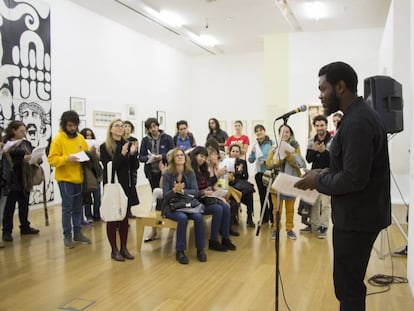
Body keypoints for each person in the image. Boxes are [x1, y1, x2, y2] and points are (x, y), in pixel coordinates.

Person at [295, 61, 391, 311]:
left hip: (357, 219)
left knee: (348, 288)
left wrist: (317, 179)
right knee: (349, 285)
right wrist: (322, 171)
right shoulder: (357, 116)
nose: (320, 95)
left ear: (340, 87)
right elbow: (350, 167)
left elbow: (353, 179)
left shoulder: (357, 122)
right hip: (359, 215)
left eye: (323, 89)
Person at [48, 111, 91, 249]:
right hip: (65, 179)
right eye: (70, 125)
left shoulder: (80, 138)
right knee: (67, 208)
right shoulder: (58, 139)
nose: (72, 128)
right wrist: (67, 158)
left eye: (75, 125)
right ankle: (67, 235)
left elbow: (85, 152)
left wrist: (89, 154)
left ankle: (77, 232)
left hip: (79, 178)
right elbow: (52, 159)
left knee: (78, 208)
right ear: (65, 124)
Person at [100, 119, 139, 261]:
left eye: (122, 126)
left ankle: (124, 247)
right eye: (117, 125)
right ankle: (114, 249)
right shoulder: (104, 147)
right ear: (110, 129)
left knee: (124, 218)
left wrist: (133, 154)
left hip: (126, 185)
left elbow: (134, 167)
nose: (120, 128)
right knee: (112, 217)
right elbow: (111, 167)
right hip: (112, 185)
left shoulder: (127, 144)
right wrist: (122, 155)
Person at [162, 148, 207, 264]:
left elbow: (196, 192)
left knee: (198, 217)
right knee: (182, 218)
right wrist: (174, 190)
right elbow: (165, 196)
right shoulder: (167, 173)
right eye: (177, 155)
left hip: (187, 204)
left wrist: (182, 192)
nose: (180, 157)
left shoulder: (190, 172)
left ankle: (200, 250)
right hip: (172, 206)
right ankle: (180, 251)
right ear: (173, 159)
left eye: (182, 155)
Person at [190, 146, 237, 249]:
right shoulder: (191, 171)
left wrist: (214, 189)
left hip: (207, 197)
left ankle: (225, 238)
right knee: (218, 209)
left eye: (204, 157)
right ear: (194, 156)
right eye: (201, 156)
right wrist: (204, 192)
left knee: (226, 206)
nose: (202, 159)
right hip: (197, 200)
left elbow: (208, 183)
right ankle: (213, 240)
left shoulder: (203, 169)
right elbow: (194, 190)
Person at [2, 121, 40, 242]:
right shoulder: (6, 145)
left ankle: (25, 226)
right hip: (12, 180)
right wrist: (23, 158)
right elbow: (8, 161)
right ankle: (7, 231)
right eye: (21, 131)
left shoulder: (26, 143)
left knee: (24, 205)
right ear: (13, 131)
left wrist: (36, 158)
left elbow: (31, 154)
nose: (24, 133)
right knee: (9, 208)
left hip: (25, 178)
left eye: (24, 131)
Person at [267, 124, 306, 240]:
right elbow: (269, 164)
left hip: (290, 181)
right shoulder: (274, 147)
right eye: (282, 132)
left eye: (287, 132)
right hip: (276, 182)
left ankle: (289, 229)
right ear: (279, 134)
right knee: (276, 209)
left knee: (290, 209)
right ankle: (276, 229)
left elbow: (299, 163)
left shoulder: (295, 146)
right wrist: (279, 159)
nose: (285, 134)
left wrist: (288, 156)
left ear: (290, 133)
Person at [139, 117, 174, 240]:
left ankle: (171, 222)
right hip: (152, 172)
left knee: (168, 196)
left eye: (155, 126)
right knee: (155, 197)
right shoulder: (145, 140)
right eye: (150, 127)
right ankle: (154, 228)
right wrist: (149, 158)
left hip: (166, 172)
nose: (153, 129)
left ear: (158, 126)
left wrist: (161, 157)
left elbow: (172, 153)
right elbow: (141, 157)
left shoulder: (167, 138)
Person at [301, 114, 332, 238]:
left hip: (328, 174)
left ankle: (324, 227)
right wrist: (314, 151)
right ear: (314, 126)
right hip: (314, 174)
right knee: (313, 200)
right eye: (317, 125)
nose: (320, 128)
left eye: (322, 125)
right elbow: (308, 159)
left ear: (326, 126)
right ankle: (314, 225)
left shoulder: (333, 140)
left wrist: (323, 152)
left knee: (325, 203)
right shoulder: (311, 140)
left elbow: (334, 160)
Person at [248, 124, 273, 224]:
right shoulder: (254, 145)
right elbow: (250, 160)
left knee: (271, 196)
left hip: (269, 172)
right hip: (259, 173)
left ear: (264, 131)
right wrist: (253, 153)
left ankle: (273, 217)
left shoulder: (271, 143)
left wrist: (266, 161)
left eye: (260, 130)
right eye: (257, 131)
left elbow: (275, 157)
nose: (259, 132)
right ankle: (264, 217)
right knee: (262, 196)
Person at [228, 144, 255, 227]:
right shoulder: (227, 162)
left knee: (249, 193)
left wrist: (242, 171)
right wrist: (237, 172)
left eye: (237, 151)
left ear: (239, 153)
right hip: (231, 187)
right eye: (233, 151)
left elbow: (246, 177)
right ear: (230, 152)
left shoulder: (243, 162)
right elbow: (229, 179)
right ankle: (234, 217)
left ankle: (249, 217)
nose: (235, 153)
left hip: (240, 185)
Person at [79, 128, 101, 222]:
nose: (89, 137)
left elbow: (99, 159)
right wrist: (88, 152)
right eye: (87, 135)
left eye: (90, 135)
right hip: (86, 174)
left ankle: (97, 214)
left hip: (96, 173)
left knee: (97, 196)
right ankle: (88, 216)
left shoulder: (95, 146)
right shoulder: (80, 147)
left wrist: (95, 153)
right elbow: (83, 159)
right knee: (87, 196)